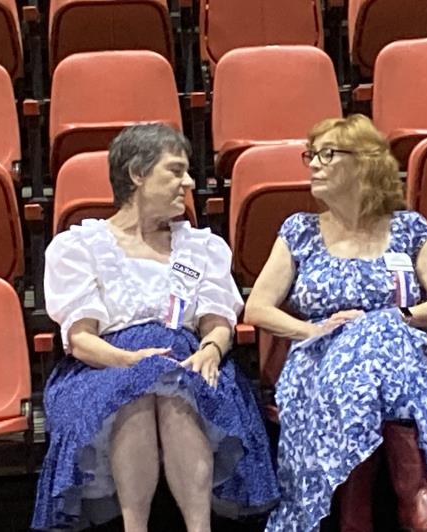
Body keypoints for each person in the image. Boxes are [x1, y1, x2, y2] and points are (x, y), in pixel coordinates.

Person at [245, 114, 427, 532]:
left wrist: (397, 317)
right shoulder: (299, 231)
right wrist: (314, 330)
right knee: (382, 342)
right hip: (320, 364)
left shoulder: (408, 229)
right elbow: (258, 309)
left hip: (399, 360)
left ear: (365, 164)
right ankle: (414, 498)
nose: (313, 164)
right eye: (311, 155)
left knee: (383, 335)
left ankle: (357, 515)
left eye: (327, 154)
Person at [31, 123, 279, 531]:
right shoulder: (79, 247)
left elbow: (218, 323)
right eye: (176, 171)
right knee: (139, 387)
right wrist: (130, 361)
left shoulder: (200, 247)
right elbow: (82, 340)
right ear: (137, 174)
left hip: (190, 359)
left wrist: (210, 350)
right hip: (103, 367)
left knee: (177, 384)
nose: (189, 182)